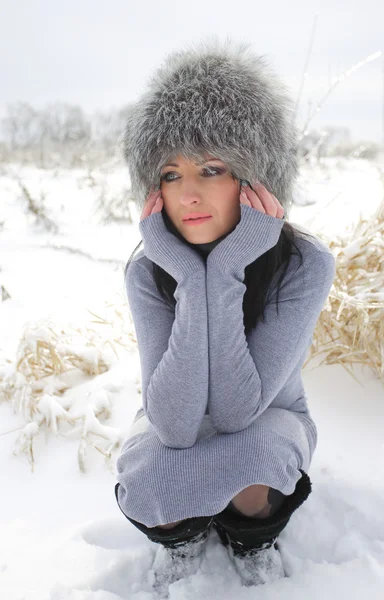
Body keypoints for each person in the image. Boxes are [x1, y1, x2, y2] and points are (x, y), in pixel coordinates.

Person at [114, 36, 336, 595]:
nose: (187, 193)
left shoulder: (304, 263)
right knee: (148, 464)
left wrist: (229, 267)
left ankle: (252, 536)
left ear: (255, 177)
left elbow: (239, 412)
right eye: (169, 174)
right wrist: (190, 278)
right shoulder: (149, 272)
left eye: (211, 168)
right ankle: (181, 533)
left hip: (268, 419)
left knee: (255, 459)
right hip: (178, 424)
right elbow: (172, 423)